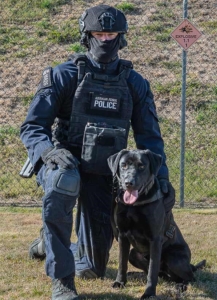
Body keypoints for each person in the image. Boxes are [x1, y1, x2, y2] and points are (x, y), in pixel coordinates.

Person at [20, 5, 175, 300]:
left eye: (111, 33)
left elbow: (150, 138)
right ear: (86, 36)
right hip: (64, 161)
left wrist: (162, 179)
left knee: (92, 267)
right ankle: (62, 281)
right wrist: (48, 152)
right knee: (64, 181)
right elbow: (32, 126)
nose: (105, 39)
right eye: (98, 33)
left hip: (105, 170)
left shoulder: (135, 83)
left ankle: (49, 241)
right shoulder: (63, 75)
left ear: (121, 37)